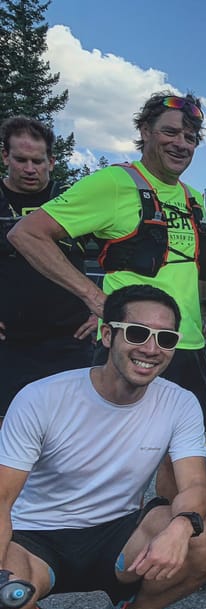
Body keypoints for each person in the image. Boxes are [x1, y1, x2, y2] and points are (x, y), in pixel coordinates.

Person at [8, 92, 206, 604]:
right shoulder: (116, 183)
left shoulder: (192, 199)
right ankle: (102, 573)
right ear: (145, 132)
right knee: (113, 465)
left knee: (177, 467)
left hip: (187, 343)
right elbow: (29, 233)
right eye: (170, 131)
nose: (181, 143)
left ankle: (168, 556)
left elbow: (198, 277)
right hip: (132, 346)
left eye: (190, 136)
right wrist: (94, 298)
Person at [0, 285, 206, 609]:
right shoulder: (41, 398)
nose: (151, 349)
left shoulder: (179, 402)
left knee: (203, 537)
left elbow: (193, 485)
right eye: (137, 333)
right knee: (4, 602)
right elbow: (2, 499)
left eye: (165, 338)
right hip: (34, 539)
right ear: (107, 335)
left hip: (117, 536)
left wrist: (179, 528)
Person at [0, 116, 95, 424]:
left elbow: (119, 255)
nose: (30, 168)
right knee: (9, 433)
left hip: (70, 340)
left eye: (38, 161)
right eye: (21, 160)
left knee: (69, 432)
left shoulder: (70, 200)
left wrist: (104, 310)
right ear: (5, 157)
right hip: (9, 343)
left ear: (51, 162)